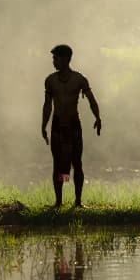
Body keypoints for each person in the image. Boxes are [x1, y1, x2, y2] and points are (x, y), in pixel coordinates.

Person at [42, 44, 101, 208]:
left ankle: (78, 201)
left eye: (56, 58)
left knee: (76, 162)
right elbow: (47, 105)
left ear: (66, 59)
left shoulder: (79, 79)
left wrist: (97, 117)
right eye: (53, 58)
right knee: (60, 164)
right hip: (57, 125)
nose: (54, 62)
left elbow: (91, 100)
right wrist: (43, 125)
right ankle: (59, 201)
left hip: (73, 125)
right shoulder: (51, 80)